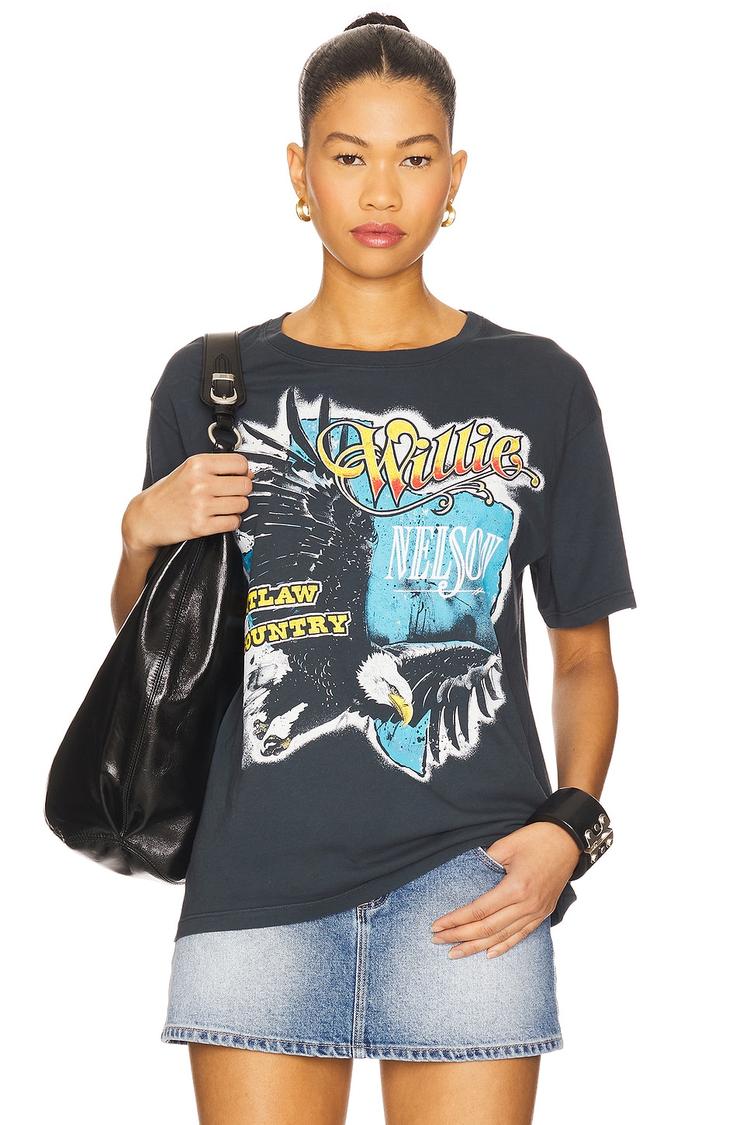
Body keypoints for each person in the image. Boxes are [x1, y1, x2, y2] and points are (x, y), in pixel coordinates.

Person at [112, 12, 637, 1125]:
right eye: (350, 157)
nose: (382, 192)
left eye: (415, 158)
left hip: (473, 883)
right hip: (257, 886)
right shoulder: (212, 383)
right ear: (299, 172)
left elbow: (582, 653)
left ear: (456, 176)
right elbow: (153, 650)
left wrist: (571, 827)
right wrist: (141, 531)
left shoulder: (541, 384)